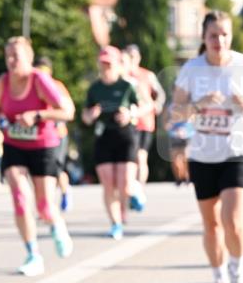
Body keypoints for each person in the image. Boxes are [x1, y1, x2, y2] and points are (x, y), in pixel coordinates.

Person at [170, 10, 243, 283]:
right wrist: (196, 105)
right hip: (202, 156)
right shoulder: (192, 69)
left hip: (237, 152)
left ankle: (238, 272)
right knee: (212, 224)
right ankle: (219, 282)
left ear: (231, 36)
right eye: (213, 35)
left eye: (225, 34)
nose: (219, 40)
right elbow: (174, 112)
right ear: (204, 37)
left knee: (232, 220)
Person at [0, 36, 74, 276]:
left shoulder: (39, 79)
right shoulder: (3, 81)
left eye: (16, 56)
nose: (11, 60)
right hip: (14, 144)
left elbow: (67, 112)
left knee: (45, 206)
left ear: (29, 57)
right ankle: (33, 254)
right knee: (19, 196)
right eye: (7, 56)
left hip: (43, 145)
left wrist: (37, 116)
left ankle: (56, 224)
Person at [82, 46, 139, 239]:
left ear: (117, 64)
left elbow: (144, 106)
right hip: (104, 135)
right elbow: (85, 116)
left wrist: (130, 114)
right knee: (108, 184)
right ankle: (115, 224)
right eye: (103, 64)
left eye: (109, 64)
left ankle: (129, 200)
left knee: (124, 184)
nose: (105, 67)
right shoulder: (94, 88)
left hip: (125, 135)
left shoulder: (127, 86)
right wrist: (91, 115)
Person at [124, 44, 166, 210]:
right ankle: (131, 190)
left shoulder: (147, 75)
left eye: (134, 56)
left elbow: (160, 94)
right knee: (129, 160)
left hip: (144, 122)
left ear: (139, 58)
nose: (132, 60)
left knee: (141, 157)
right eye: (129, 56)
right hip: (127, 122)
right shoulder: (122, 75)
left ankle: (139, 190)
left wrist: (157, 105)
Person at [34, 55, 73, 212]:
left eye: (44, 71)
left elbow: (68, 109)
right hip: (40, 135)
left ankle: (65, 192)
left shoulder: (57, 86)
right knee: (41, 173)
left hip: (58, 134)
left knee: (56, 168)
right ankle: (45, 205)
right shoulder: (33, 86)